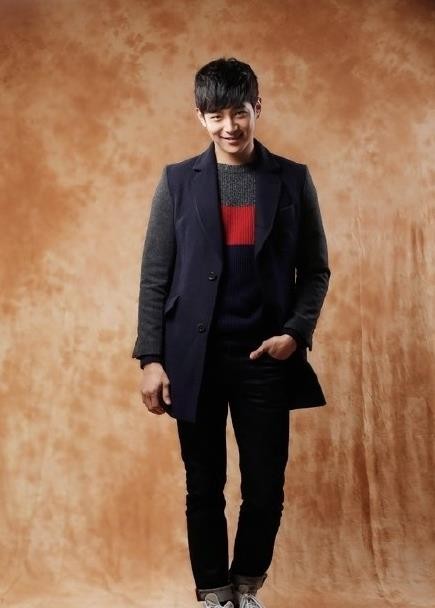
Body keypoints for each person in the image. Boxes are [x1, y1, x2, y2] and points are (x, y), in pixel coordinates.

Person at [132, 57, 331, 608]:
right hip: (193, 358)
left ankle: (247, 587)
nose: (229, 126)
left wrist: (296, 332)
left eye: (238, 112)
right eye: (216, 115)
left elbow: (316, 270)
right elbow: (155, 274)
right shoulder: (177, 182)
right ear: (200, 117)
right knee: (204, 487)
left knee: (265, 487)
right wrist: (151, 357)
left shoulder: (292, 179)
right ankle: (214, 594)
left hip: (266, 355)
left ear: (256, 108)